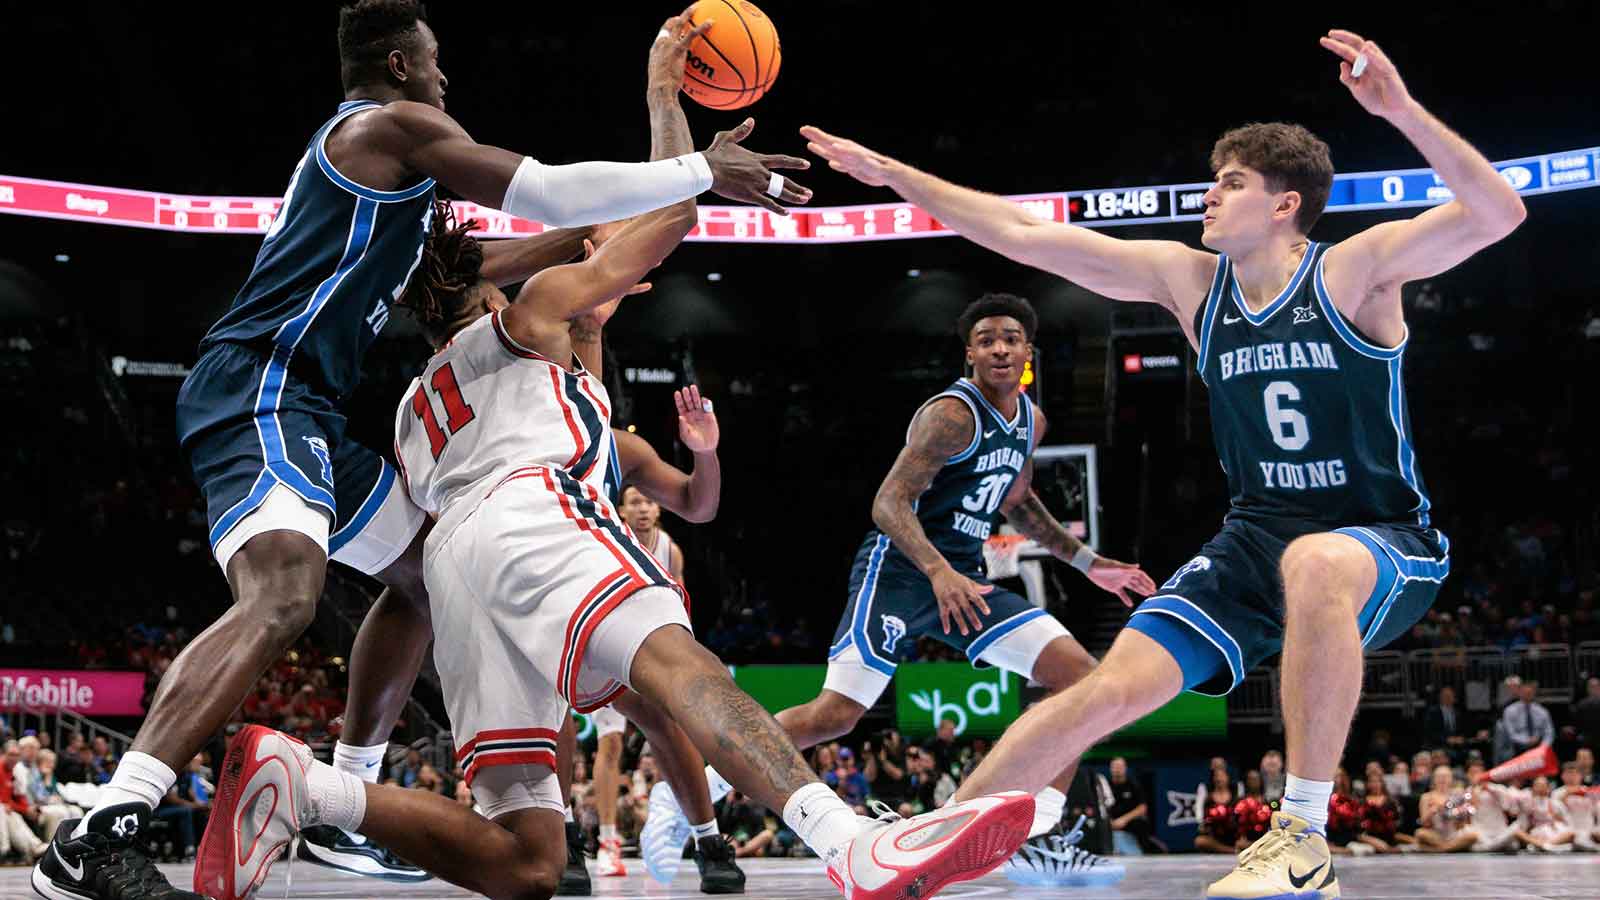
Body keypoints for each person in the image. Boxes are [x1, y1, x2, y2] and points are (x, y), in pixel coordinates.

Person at [192, 33, 1033, 899]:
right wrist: (664, 99)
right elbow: (664, 222)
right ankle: (850, 842)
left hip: (452, 571)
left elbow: (591, 293)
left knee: (528, 860)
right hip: (532, 513)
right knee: (680, 668)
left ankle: (310, 784)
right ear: (487, 290)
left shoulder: (415, 406)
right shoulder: (531, 316)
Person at [34, 4, 814, 899]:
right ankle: (106, 825)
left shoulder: (406, 219)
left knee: (426, 572)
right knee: (287, 591)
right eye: (438, 63)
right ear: (402, 64)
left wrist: (670, 135)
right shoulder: (390, 126)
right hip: (260, 382)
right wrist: (698, 167)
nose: (447, 81)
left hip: (315, 410)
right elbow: (557, 196)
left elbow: (579, 235)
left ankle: (344, 793)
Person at [805, 28, 1527, 900]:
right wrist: (899, 178)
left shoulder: (1356, 274)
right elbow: (1018, 233)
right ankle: (930, 842)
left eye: (1231, 183)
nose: (1209, 194)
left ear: (1286, 205)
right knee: (1108, 690)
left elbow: (1498, 213)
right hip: (1252, 541)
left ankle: (1300, 838)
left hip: (1380, 539)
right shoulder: (1190, 283)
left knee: (1317, 560)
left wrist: (1400, 110)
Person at [672, 288, 1152, 886]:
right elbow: (888, 502)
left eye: (1010, 338)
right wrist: (937, 570)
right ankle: (696, 784)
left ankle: (1040, 830)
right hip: (900, 573)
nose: (1000, 348)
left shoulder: (1031, 419)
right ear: (970, 355)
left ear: (1028, 350)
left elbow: (1020, 503)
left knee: (1081, 677)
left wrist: (1085, 562)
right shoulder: (952, 415)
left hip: (965, 581)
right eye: (986, 340)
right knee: (836, 716)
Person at [1106, 757, 1157, 855]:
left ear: (1125, 768)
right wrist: (1109, 821)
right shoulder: (1105, 785)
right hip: (1109, 823)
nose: (1117, 769)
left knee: (1142, 824)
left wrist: (1123, 820)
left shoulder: (1133, 785)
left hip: (1129, 822)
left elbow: (1142, 808)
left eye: (1120, 766)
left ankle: (1145, 853)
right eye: (1114, 766)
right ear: (1110, 768)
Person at [1499, 680, 1555, 762]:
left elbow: (1549, 732)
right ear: (1520, 693)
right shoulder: (1510, 710)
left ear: (1534, 693)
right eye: (1525, 692)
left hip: (1538, 747)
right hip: (1518, 746)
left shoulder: (1542, 711)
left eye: (1530, 692)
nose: (1527, 694)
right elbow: (1510, 734)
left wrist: (1543, 747)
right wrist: (1527, 741)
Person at [1552, 762, 1598, 851]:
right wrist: (1567, 794)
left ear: (1581, 776)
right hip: (1568, 831)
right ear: (1562, 776)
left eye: (1575, 773)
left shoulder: (1589, 791)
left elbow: (1596, 811)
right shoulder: (1557, 793)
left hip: (1589, 830)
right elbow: (1555, 815)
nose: (1572, 776)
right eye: (1569, 773)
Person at [1195, 769, 1242, 854]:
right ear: (1213, 779)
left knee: (1248, 842)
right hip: (1216, 838)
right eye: (1216, 776)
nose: (1219, 779)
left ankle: (1236, 848)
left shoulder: (1236, 798)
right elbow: (1205, 822)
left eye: (1222, 776)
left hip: (1234, 835)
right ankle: (1230, 850)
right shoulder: (1209, 799)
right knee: (1200, 841)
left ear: (1228, 778)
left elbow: (1241, 818)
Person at [1423, 685, 1468, 754]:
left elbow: (1464, 730)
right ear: (1440, 697)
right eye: (1445, 696)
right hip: (1437, 745)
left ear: (1454, 698)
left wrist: (1460, 738)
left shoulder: (1459, 712)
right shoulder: (1433, 712)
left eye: (1450, 696)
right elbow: (1430, 732)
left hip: (1457, 745)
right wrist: (1447, 740)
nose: (1448, 698)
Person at [1574, 678, 1600, 747]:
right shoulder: (1582, 704)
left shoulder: (1581, 704)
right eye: (1592, 687)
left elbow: (1577, 724)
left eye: (1595, 687)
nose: (1594, 689)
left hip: (1586, 740)